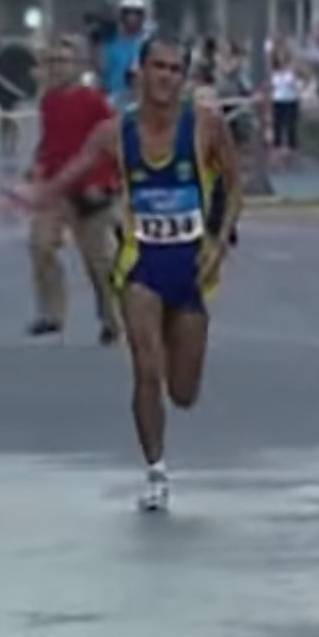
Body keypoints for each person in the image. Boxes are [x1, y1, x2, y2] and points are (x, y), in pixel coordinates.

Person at [32, 36, 243, 511]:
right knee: (146, 369)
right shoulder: (115, 132)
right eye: (158, 67)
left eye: (175, 69)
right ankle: (155, 473)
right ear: (140, 73)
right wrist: (38, 195)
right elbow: (72, 170)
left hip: (189, 267)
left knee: (183, 392)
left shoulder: (205, 127)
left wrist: (219, 241)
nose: (167, 76)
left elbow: (234, 185)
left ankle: (171, 354)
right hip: (140, 264)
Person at [27, 37, 122, 345]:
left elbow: (112, 142)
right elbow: (49, 142)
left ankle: (112, 319)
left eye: (62, 62)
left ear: (78, 66)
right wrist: (38, 169)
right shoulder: (48, 102)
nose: (56, 69)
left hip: (92, 189)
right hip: (57, 191)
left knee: (99, 261)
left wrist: (105, 181)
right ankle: (52, 314)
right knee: (40, 245)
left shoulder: (93, 101)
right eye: (51, 62)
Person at [99, 0, 150, 111]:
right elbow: (103, 70)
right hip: (113, 102)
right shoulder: (111, 44)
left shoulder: (147, 43)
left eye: (136, 13)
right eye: (128, 13)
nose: (132, 18)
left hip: (139, 102)